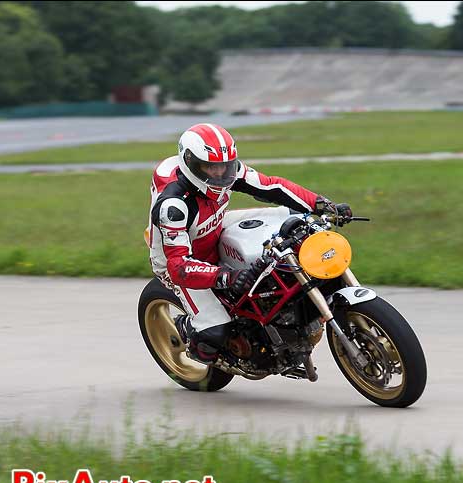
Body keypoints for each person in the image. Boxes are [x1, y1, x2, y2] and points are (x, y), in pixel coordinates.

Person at [148, 123, 351, 364]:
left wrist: (320, 204)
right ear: (190, 164)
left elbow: (272, 186)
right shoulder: (173, 206)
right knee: (215, 334)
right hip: (182, 258)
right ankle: (189, 330)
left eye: (225, 165)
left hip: (215, 223)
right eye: (210, 167)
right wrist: (227, 277)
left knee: (292, 219)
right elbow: (178, 266)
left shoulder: (227, 173)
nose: (220, 173)